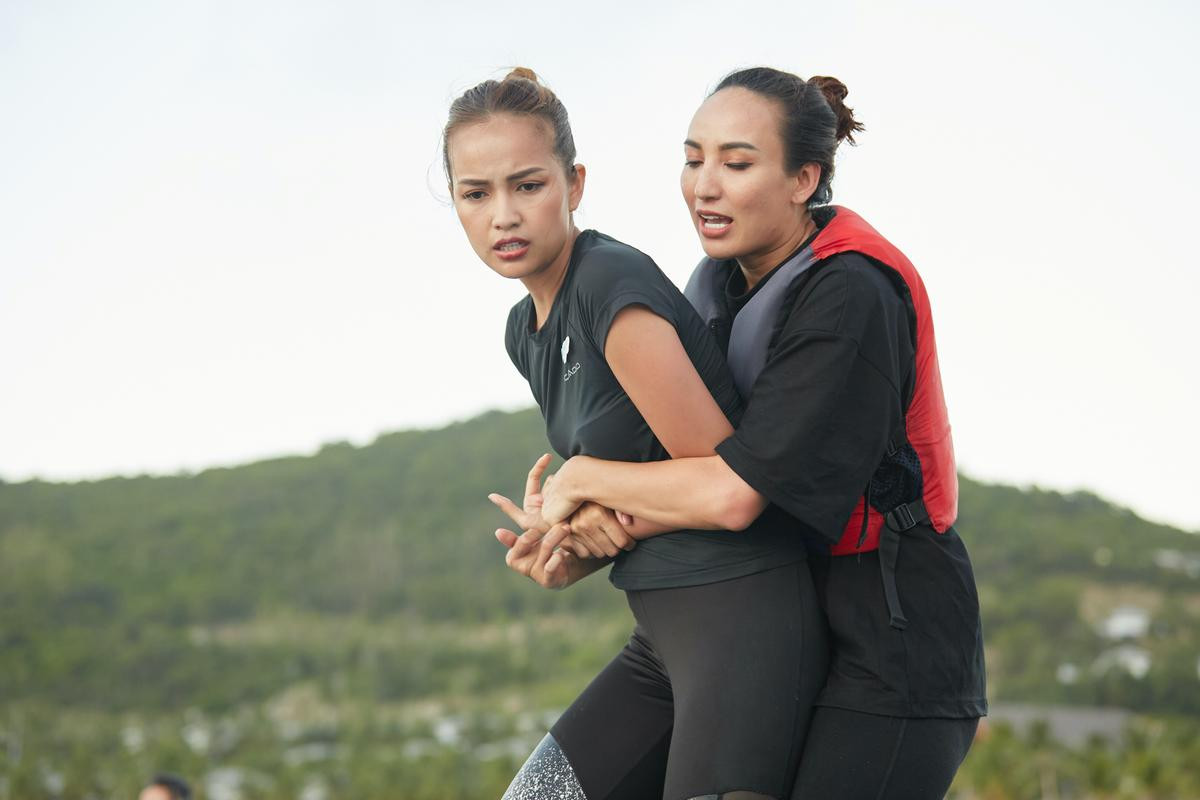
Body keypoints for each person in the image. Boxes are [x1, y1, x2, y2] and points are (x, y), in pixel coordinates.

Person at [535, 67, 987, 799]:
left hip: (886, 642)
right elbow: (681, 476)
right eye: (693, 158)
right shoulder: (717, 289)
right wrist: (579, 542)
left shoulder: (851, 295)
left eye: (737, 164)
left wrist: (580, 479)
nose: (703, 186)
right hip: (741, 619)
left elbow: (737, 492)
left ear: (804, 177)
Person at [444, 68, 828, 800]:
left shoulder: (605, 284)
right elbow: (650, 498)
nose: (504, 216)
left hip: (742, 623)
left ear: (574, 184)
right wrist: (572, 549)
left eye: (528, 186)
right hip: (661, 636)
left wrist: (583, 486)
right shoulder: (524, 333)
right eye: (476, 193)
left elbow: (726, 482)